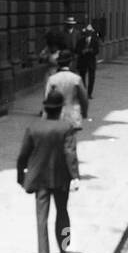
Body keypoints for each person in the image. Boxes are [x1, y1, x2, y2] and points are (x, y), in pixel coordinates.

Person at [17, 88, 79, 253]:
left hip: (40, 178)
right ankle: (64, 245)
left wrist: (20, 173)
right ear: (60, 109)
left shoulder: (33, 126)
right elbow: (70, 153)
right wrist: (75, 175)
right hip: (61, 176)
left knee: (41, 216)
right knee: (62, 211)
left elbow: (23, 154)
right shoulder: (66, 127)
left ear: (46, 108)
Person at [44, 51, 89, 182]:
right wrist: (84, 112)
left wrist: (46, 116)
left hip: (55, 115)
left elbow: (47, 98)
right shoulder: (76, 79)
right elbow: (84, 98)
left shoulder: (52, 79)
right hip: (72, 116)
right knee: (70, 147)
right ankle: (73, 175)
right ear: (70, 63)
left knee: (55, 145)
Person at [76, 16, 102, 97]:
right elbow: (76, 49)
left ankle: (89, 93)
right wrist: (82, 51)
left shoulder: (95, 41)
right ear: (85, 32)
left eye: (89, 32)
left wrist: (91, 51)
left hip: (91, 61)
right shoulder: (81, 41)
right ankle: (84, 91)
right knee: (82, 77)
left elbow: (97, 51)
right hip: (82, 61)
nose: (88, 33)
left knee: (91, 78)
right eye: (87, 32)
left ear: (91, 33)